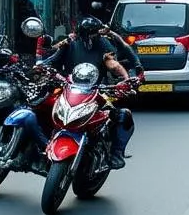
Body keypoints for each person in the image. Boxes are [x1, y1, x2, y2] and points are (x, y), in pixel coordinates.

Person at [42, 17, 136, 169]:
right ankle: (42, 144)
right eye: (86, 34)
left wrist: (125, 79)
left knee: (123, 116)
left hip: (96, 91)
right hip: (68, 88)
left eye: (93, 34)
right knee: (41, 105)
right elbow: (53, 59)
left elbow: (112, 64)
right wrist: (41, 68)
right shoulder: (69, 43)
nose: (89, 38)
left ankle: (116, 154)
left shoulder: (103, 44)